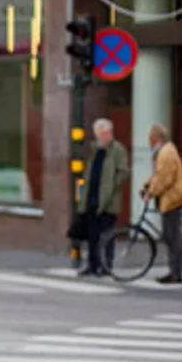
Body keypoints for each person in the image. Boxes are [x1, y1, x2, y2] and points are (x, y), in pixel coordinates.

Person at [139, 122, 182, 284]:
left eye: (150, 138)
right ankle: (174, 270)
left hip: (173, 199)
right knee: (170, 236)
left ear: (156, 138)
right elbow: (158, 175)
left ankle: (176, 272)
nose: (149, 142)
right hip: (170, 199)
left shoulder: (166, 153)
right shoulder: (165, 151)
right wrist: (147, 185)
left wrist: (151, 193)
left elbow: (164, 178)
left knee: (172, 236)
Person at [77, 118, 129, 276]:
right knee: (92, 234)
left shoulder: (118, 150)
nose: (105, 137)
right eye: (101, 134)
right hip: (92, 197)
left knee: (107, 235)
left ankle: (106, 266)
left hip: (108, 200)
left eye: (107, 133)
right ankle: (92, 264)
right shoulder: (94, 150)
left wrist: (113, 186)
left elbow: (124, 172)